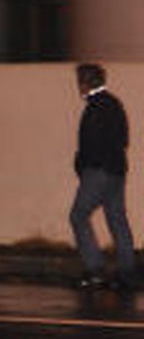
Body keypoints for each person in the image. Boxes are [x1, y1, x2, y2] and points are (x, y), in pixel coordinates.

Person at [71, 62, 137, 291]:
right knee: (117, 218)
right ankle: (127, 272)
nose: (78, 86)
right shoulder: (114, 104)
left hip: (98, 171)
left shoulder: (95, 107)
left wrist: (82, 165)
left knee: (78, 216)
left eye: (79, 81)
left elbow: (90, 144)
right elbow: (124, 139)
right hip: (117, 170)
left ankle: (95, 270)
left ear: (85, 83)